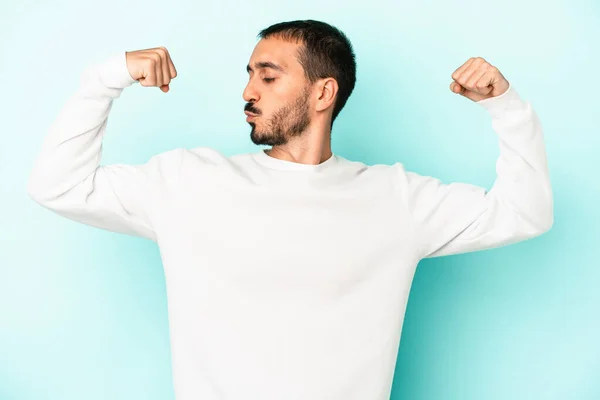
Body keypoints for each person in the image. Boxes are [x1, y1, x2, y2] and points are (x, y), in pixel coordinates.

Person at [27, 19, 553, 400]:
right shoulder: (189, 181)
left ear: (323, 92)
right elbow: (58, 186)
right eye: (250, 75)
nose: (247, 91)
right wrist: (106, 78)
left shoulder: (396, 198)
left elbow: (525, 212)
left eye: (268, 76)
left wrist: (505, 106)